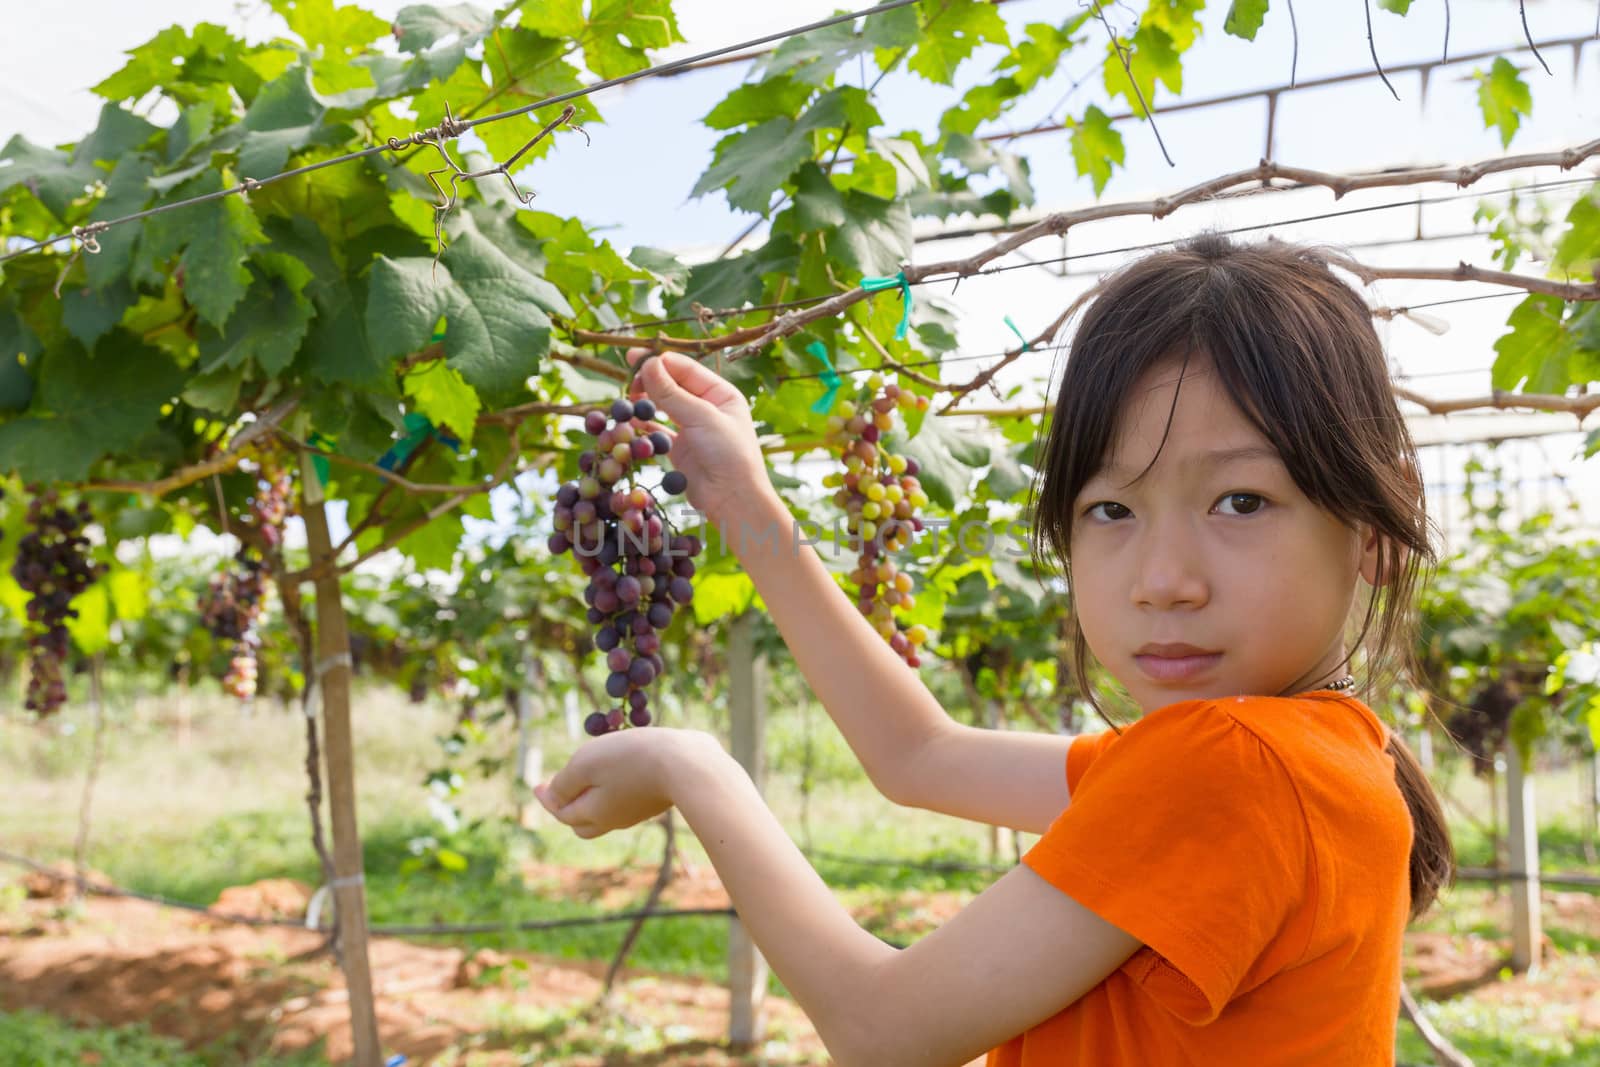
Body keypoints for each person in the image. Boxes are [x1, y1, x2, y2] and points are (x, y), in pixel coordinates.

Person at [535, 234, 1457, 1066]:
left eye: (1241, 502)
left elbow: (881, 1030)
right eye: (1111, 510)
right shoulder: (1320, 755)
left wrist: (693, 767)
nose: (1162, 579)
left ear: (1373, 526)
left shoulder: (1235, 763)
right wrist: (746, 504)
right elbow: (919, 756)